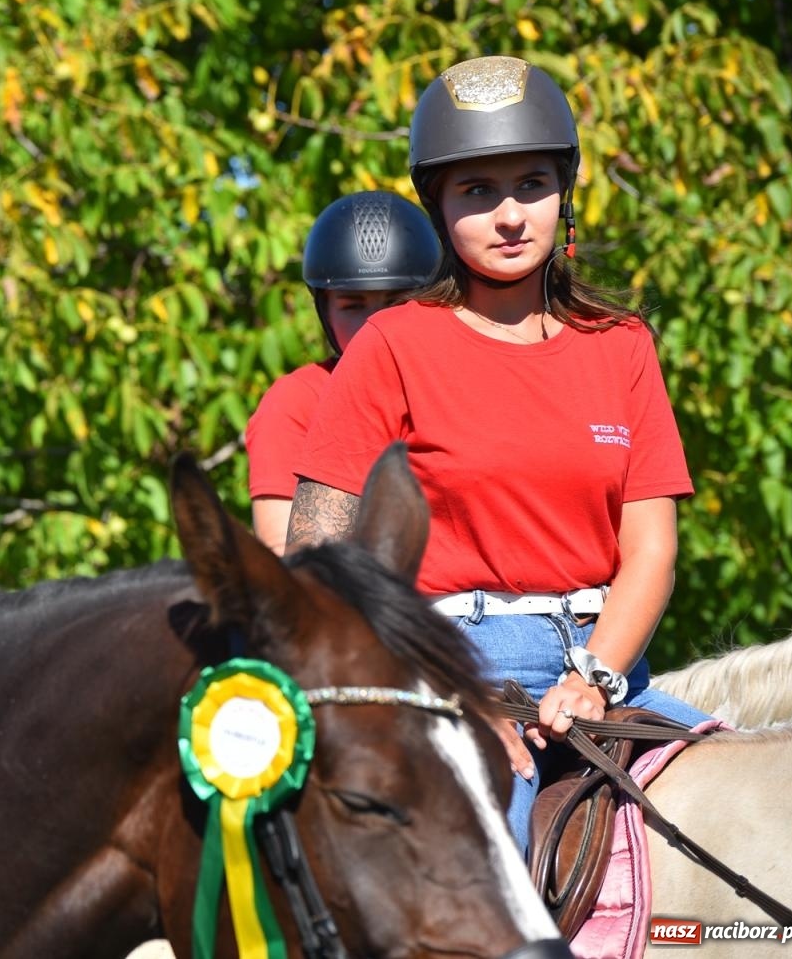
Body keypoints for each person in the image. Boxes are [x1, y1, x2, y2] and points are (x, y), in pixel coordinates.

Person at [285, 55, 710, 853]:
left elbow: (650, 551)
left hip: (613, 664)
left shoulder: (621, 347)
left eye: (531, 184)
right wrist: (438, 691)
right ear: (438, 206)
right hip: (448, 665)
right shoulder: (391, 347)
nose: (510, 215)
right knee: (490, 868)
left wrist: (596, 679)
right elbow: (315, 558)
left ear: (564, 193)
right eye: (477, 192)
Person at [246, 191, 440, 552]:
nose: (376, 323)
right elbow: (283, 554)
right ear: (324, 310)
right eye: (353, 305)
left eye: (397, 303)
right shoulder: (298, 400)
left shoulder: (453, 384)